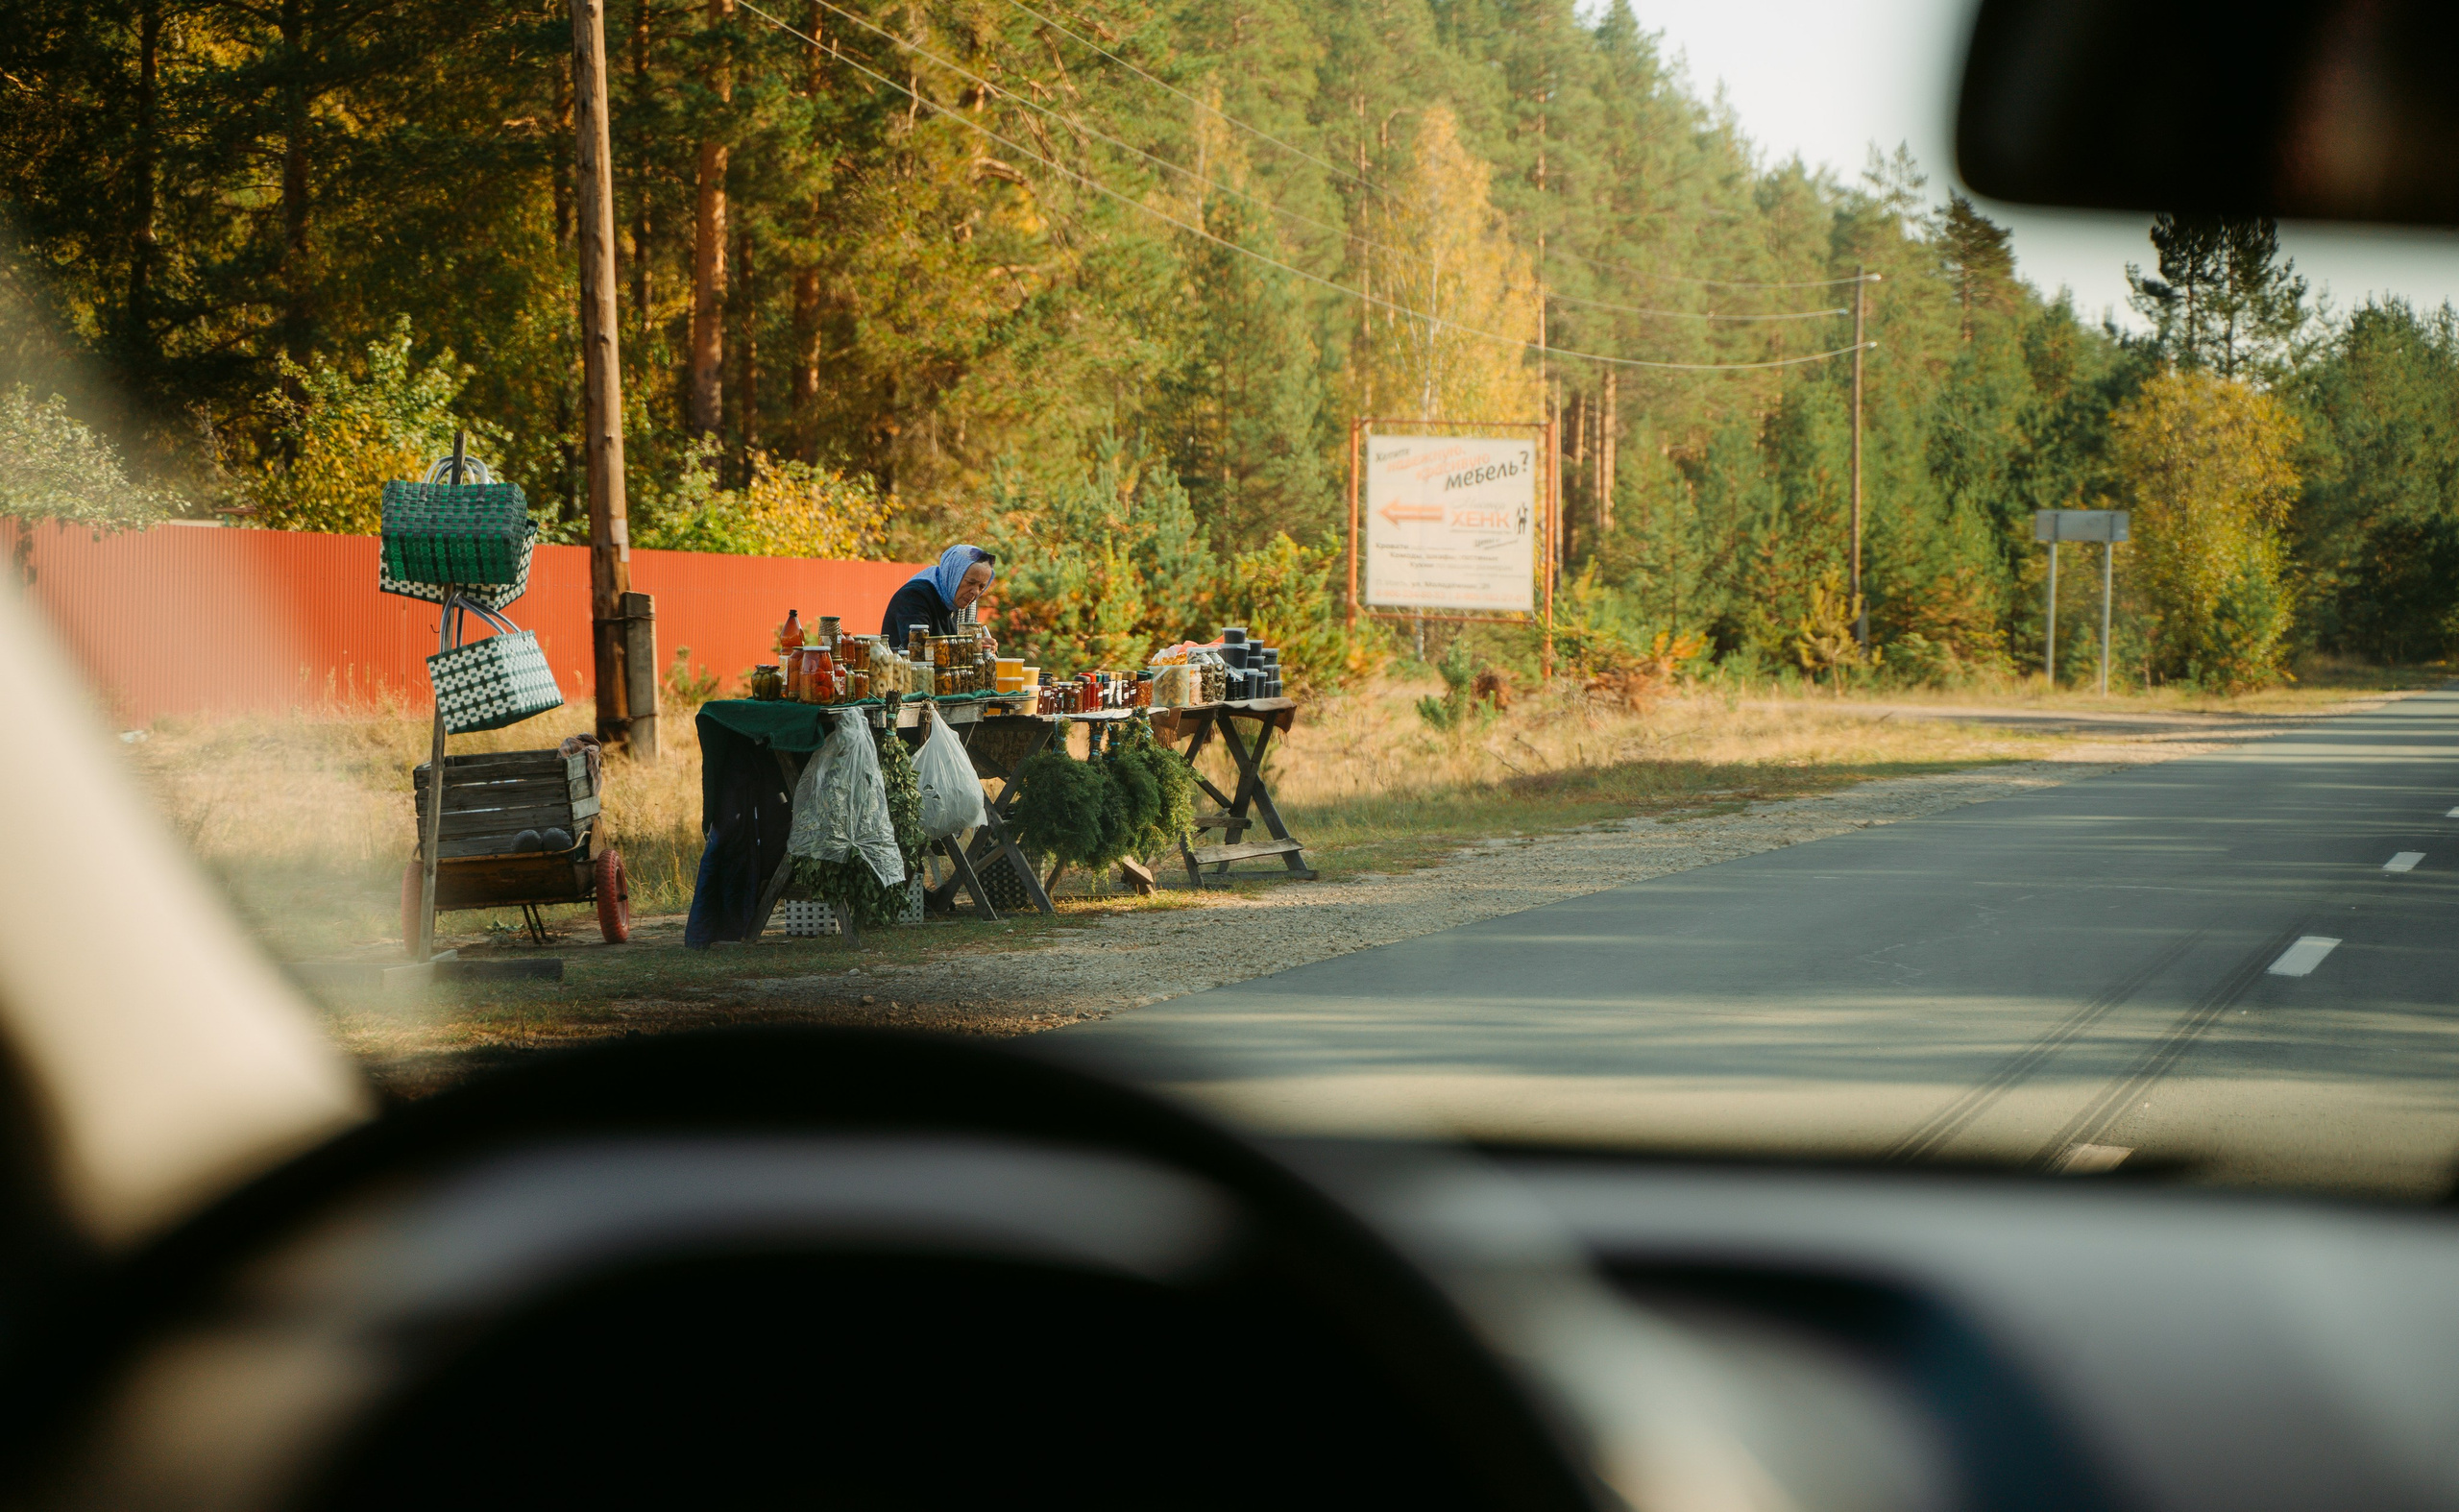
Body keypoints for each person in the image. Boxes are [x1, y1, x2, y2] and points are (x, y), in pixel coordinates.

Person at [882, 544, 998, 648]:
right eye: (970, 582)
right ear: (953, 575)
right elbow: (919, 649)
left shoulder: (964, 602)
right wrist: (970, 647)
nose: (975, 592)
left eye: (981, 587)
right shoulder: (914, 596)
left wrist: (984, 647)